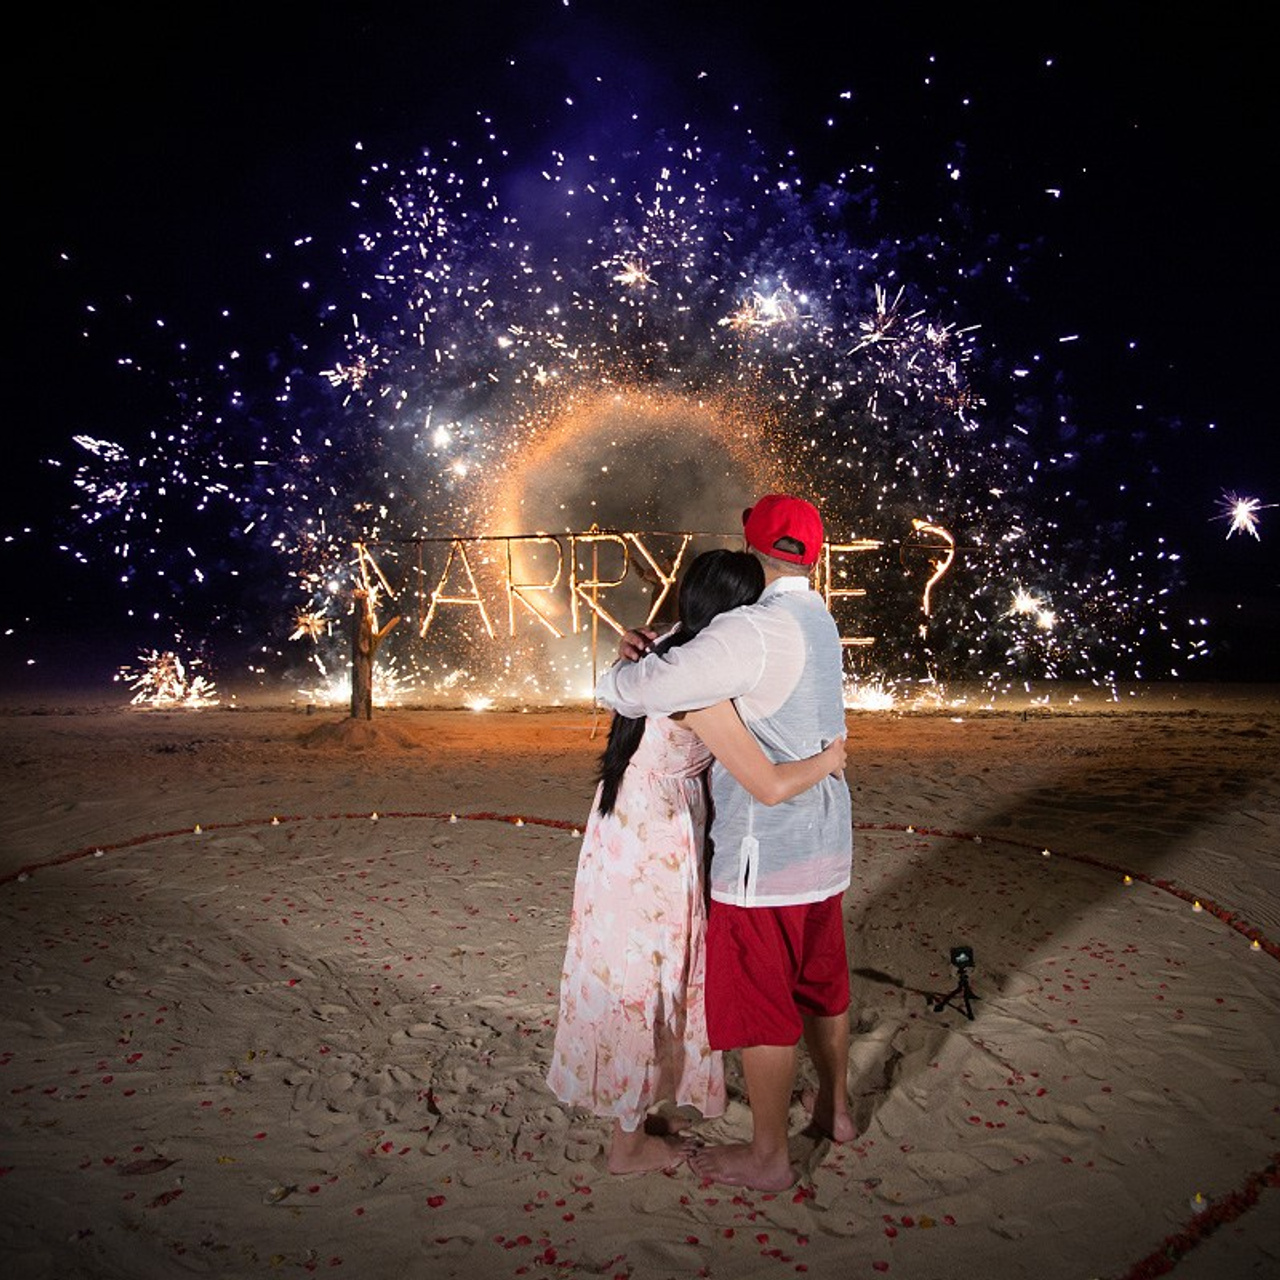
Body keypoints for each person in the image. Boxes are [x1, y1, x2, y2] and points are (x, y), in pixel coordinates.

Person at [546, 550, 847, 1175]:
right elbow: (765, 783)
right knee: (646, 978)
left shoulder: (668, 647)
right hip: (656, 842)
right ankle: (626, 1144)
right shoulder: (703, 689)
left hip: (624, 831)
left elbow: (625, 684)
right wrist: (828, 759)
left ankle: (638, 1112)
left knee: (635, 970)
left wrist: (623, 656)